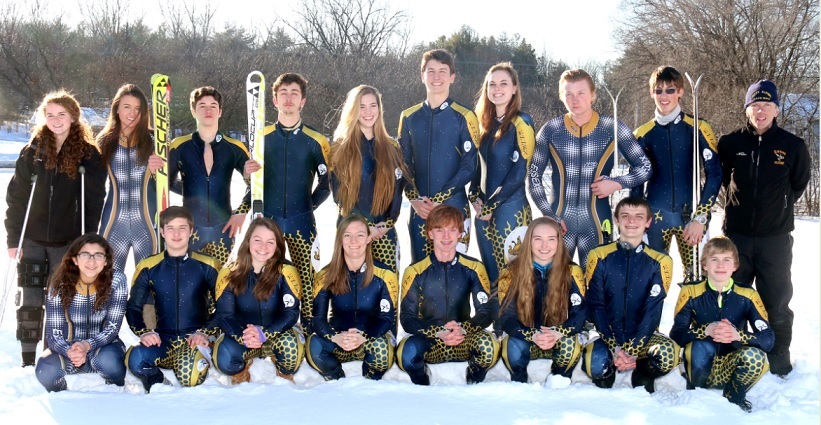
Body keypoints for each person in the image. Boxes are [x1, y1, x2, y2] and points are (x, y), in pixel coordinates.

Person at [5, 90, 106, 367]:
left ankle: (51, 355)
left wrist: (88, 241)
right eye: (49, 115)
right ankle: (28, 359)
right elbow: (16, 198)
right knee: (30, 300)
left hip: (67, 240)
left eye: (61, 114)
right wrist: (14, 238)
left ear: (73, 117)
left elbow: (95, 200)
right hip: (32, 238)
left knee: (59, 302)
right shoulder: (33, 152)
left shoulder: (88, 155)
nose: (56, 120)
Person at [717, 79, 810, 378]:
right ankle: (733, 352)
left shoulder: (793, 145)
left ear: (776, 110)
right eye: (755, 105)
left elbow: (798, 184)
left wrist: (777, 206)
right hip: (738, 237)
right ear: (746, 109)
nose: (760, 111)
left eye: (767, 105)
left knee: (777, 300)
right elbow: (721, 180)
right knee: (734, 297)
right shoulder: (730, 143)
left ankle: (779, 354)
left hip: (776, 239)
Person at [529, 69, 652, 267]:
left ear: (593, 95)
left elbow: (645, 167)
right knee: (554, 280)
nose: (575, 99)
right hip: (560, 222)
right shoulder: (551, 130)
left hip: (596, 222)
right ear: (561, 96)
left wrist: (616, 183)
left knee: (596, 280)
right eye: (569, 94)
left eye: (581, 93)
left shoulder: (612, 128)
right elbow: (534, 175)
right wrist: (549, 215)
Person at [255, 73, 330, 333]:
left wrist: (308, 206)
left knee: (307, 278)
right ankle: (266, 327)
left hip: (302, 221)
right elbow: (253, 182)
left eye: (294, 93)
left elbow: (327, 183)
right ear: (274, 100)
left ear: (303, 101)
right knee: (265, 275)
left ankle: (309, 328)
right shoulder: (261, 138)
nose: (288, 98)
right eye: (283, 93)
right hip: (269, 223)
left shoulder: (316, 140)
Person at [631, 66, 722, 280]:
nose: (664, 96)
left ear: (680, 91)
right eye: (658, 90)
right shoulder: (642, 134)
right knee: (651, 282)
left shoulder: (698, 126)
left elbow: (715, 173)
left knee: (696, 281)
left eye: (670, 90)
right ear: (651, 93)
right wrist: (637, 219)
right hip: (655, 218)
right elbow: (636, 182)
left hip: (690, 218)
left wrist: (701, 216)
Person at [583, 197, 678, 392]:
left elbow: (652, 310)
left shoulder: (660, 260)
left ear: (648, 222)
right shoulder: (598, 255)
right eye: (625, 216)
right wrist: (614, 346)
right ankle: (609, 371)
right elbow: (596, 305)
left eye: (639, 216)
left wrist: (634, 349)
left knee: (669, 354)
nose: (632, 221)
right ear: (617, 220)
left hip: (644, 337)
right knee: (595, 365)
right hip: (608, 336)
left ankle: (642, 372)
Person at [670, 237, 774, 412]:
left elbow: (768, 340)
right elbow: (677, 334)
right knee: (697, 347)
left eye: (726, 260)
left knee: (755, 356)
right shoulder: (690, 291)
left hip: (730, 366)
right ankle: (696, 393)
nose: (720, 265)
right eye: (714, 259)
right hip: (700, 364)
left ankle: (734, 395)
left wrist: (738, 335)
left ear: (735, 266)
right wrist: (706, 330)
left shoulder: (748, 294)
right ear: (704, 265)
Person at [397, 204, 498, 385]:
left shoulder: (474, 267)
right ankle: (423, 386)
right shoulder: (415, 271)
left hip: (462, 337)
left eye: (452, 230)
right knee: (407, 353)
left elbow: (486, 311)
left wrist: (463, 328)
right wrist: (438, 332)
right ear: (430, 233)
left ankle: (473, 384)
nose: (446, 236)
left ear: (460, 233)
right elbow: (407, 318)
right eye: (439, 230)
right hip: (431, 340)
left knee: (489, 346)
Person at [125, 206, 220, 392]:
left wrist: (205, 332)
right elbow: (133, 307)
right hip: (164, 341)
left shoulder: (208, 264)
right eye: (170, 228)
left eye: (182, 228)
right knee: (135, 359)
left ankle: (196, 365)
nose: (176, 234)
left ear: (191, 231)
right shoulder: (148, 266)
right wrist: (144, 332)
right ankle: (160, 386)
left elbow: (225, 306)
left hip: (196, 339)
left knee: (188, 376)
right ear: (162, 232)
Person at [398, 49, 480, 263]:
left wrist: (439, 200)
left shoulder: (465, 116)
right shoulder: (408, 117)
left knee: (456, 275)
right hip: (420, 211)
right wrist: (414, 199)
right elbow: (403, 164)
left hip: (454, 209)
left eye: (443, 71)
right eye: (431, 71)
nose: (436, 77)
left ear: (452, 77)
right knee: (422, 273)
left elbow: (470, 165)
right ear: (422, 75)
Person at [168, 86, 254, 266]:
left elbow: (255, 184)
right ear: (193, 111)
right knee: (190, 280)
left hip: (223, 230)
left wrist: (241, 212)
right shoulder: (179, 146)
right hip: (190, 230)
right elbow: (164, 183)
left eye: (213, 106)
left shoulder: (234, 147)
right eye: (202, 106)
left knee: (220, 280)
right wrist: (191, 190)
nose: (208, 110)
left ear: (220, 111)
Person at [306, 214, 398, 380]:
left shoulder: (385, 274)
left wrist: (364, 336)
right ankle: (337, 381)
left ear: (369, 239)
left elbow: (387, 318)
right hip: (340, 340)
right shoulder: (326, 275)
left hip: (369, 339)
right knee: (314, 345)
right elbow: (318, 319)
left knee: (382, 348)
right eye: (347, 235)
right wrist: (335, 337)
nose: (353, 241)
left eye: (360, 235)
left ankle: (370, 382)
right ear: (340, 239)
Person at [212, 217, 304, 384]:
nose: (263, 247)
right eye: (257, 240)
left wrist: (264, 334)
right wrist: (244, 336)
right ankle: (241, 374)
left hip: (276, 334)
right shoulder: (229, 272)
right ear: (248, 241)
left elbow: (290, 313)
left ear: (277, 245)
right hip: (244, 336)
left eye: (270, 242)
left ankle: (284, 377)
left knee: (291, 349)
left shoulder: (286, 270)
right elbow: (224, 316)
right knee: (224, 357)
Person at [35, 234, 128, 392]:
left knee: (111, 363)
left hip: (103, 348)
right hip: (70, 351)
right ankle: (62, 393)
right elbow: (53, 334)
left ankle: (113, 390)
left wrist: (87, 345)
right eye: (85, 254)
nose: (92, 261)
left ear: (106, 261)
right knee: (46, 370)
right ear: (75, 259)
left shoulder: (116, 280)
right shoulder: (59, 283)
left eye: (98, 255)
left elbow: (112, 328)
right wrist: (70, 351)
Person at [498, 217, 586, 383]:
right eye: (538, 239)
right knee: (512, 346)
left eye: (551, 239)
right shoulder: (510, 272)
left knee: (570, 345)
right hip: (526, 337)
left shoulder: (571, 271)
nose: (544, 246)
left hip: (556, 337)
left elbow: (580, 314)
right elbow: (506, 317)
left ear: (559, 242)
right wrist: (532, 335)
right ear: (529, 241)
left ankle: (559, 382)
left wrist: (558, 332)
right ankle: (519, 383)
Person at [470, 62, 535, 284]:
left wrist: (490, 206)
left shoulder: (522, 122)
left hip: (511, 211)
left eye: (504, 83)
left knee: (514, 280)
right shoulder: (484, 125)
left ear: (514, 88)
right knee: (492, 280)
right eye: (492, 84)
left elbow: (519, 172)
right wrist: (474, 196)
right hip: (483, 215)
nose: (497, 89)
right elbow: (477, 167)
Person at [329, 85, 405, 272]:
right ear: (353, 110)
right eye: (361, 107)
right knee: (350, 286)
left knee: (386, 285)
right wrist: (364, 228)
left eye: (373, 105)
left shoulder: (392, 147)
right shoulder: (340, 148)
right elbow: (339, 196)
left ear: (379, 108)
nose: (368, 112)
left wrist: (387, 224)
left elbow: (397, 191)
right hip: (352, 233)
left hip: (383, 232)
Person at [96, 84, 163, 272]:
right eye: (127, 107)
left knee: (147, 280)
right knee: (109, 279)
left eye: (138, 108)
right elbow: (93, 186)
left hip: (147, 225)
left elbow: (171, 183)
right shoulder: (104, 141)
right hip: (114, 223)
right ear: (117, 109)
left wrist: (159, 172)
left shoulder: (155, 142)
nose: (132, 113)